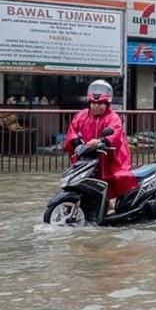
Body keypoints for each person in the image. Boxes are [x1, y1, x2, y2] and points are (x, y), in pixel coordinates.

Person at [64, 80, 138, 213]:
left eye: (100, 104)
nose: (96, 106)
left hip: (109, 156)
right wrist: (77, 143)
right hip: (87, 156)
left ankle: (113, 207)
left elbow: (115, 133)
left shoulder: (113, 117)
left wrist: (101, 141)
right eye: (94, 103)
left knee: (117, 178)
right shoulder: (81, 116)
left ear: (107, 104)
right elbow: (72, 132)